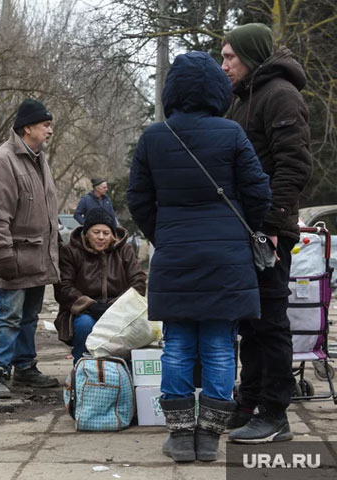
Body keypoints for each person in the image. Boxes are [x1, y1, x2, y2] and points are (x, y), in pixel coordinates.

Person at [127, 52, 271, 462]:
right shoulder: (232, 134)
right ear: (216, 91)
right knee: (221, 347)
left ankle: (179, 436)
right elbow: (258, 191)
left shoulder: (155, 137)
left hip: (175, 257)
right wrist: (238, 229)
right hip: (227, 260)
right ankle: (209, 438)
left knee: (176, 347)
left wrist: (163, 235)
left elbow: (138, 198)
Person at [221, 24, 312, 444]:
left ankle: (275, 414)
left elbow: (293, 166)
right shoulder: (242, 99)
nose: (224, 66)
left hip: (268, 232)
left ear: (251, 56)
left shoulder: (280, 95)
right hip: (246, 229)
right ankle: (250, 402)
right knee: (251, 322)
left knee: (271, 321)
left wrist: (271, 228)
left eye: (230, 57)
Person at [0, 98, 61, 398]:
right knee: (9, 317)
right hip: (14, 257)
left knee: (29, 317)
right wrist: (4, 256)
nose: (49, 131)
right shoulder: (3, 160)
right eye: (45, 125)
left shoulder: (38, 159)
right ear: (27, 128)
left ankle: (25, 368)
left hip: (36, 256)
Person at [54, 206, 146, 363]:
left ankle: (121, 373)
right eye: (96, 232)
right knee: (85, 324)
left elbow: (138, 282)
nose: (101, 237)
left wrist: (115, 306)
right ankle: (83, 372)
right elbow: (64, 287)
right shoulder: (71, 252)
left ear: (113, 235)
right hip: (83, 312)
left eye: (106, 233)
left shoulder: (124, 250)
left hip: (119, 310)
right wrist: (89, 305)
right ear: (86, 233)